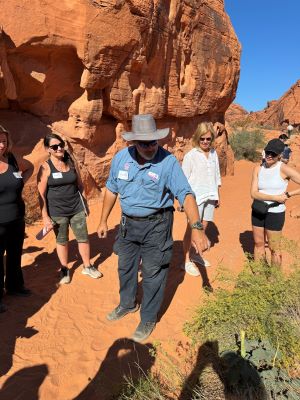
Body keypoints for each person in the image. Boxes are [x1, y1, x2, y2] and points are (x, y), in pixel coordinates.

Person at [97, 114, 210, 342]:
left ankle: (148, 317)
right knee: (125, 268)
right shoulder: (121, 159)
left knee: (153, 272)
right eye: (143, 143)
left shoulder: (167, 162)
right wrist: (103, 220)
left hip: (157, 225)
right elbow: (111, 189)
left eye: (153, 142)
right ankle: (127, 304)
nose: (149, 147)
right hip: (128, 224)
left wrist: (197, 228)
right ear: (133, 142)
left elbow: (186, 195)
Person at [37, 133, 102, 285]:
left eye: (61, 145)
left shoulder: (71, 162)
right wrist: (45, 217)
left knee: (83, 237)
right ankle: (65, 269)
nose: (59, 148)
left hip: (76, 208)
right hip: (57, 212)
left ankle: (87, 266)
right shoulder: (45, 167)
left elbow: (80, 184)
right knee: (62, 240)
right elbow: (41, 194)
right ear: (48, 149)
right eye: (54, 146)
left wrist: (84, 203)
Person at [251, 138, 300, 266]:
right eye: (268, 152)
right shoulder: (258, 169)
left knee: (274, 248)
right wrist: (276, 198)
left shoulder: (283, 169)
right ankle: (258, 276)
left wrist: (289, 194)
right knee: (258, 244)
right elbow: (253, 193)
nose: (269, 156)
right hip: (258, 210)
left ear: (279, 155)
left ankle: (274, 281)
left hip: (275, 213)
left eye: (273, 154)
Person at [0, 124, 33, 313]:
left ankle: (14, 286)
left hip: (17, 218)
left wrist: (20, 183)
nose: (1, 145)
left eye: (3, 141)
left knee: (14, 254)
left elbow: (30, 167)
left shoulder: (12, 159)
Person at [181, 122, 221, 276]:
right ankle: (186, 260)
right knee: (191, 230)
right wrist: (184, 202)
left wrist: (218, 195)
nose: (205, 142)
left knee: (203, 229)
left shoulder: (213, 153)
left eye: (208, 139)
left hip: (211, 196)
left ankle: (195, 254)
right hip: (195, 199)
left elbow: (216, 175)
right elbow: (184, 180)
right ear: (197, 138)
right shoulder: (190, 156)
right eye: (202, 138)